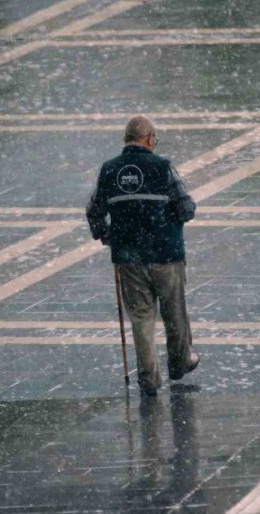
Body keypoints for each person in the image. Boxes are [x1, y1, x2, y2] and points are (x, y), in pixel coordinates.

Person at [86, 116, 200, 396]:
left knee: (140, 317)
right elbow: (186, 207)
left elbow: (94, 210)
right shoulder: (162, 167)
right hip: (165, 254)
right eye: (155, 138)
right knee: (174, 312)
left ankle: (149, 378)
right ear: (149, 138)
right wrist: (170, 222)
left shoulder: (109, 170)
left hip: (128, 257)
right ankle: (179, 362)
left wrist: (108, 236)